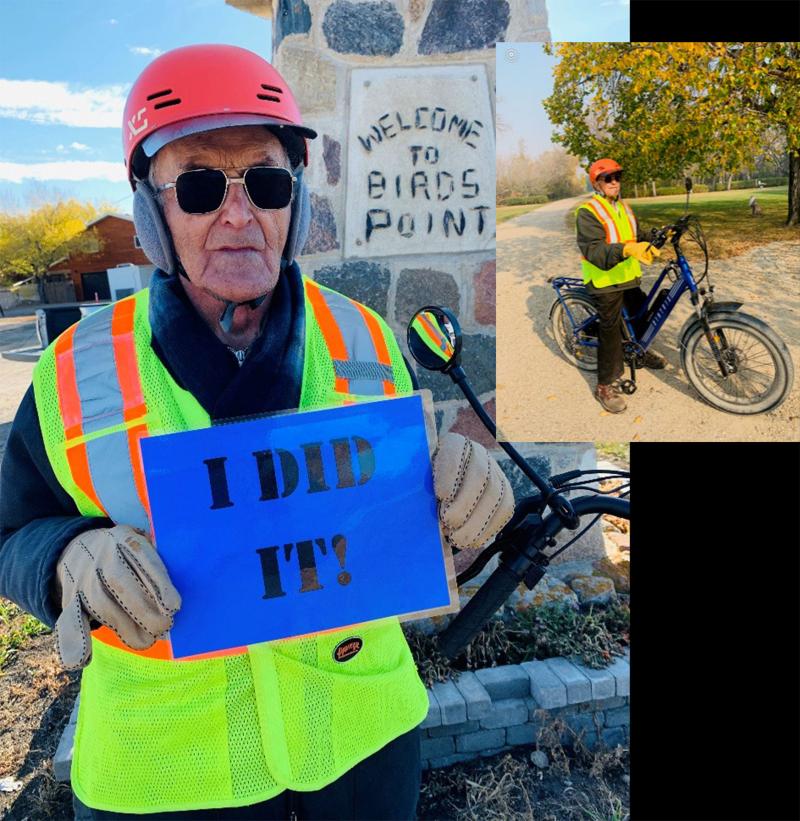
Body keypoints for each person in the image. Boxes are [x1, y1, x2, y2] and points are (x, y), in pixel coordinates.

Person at [0, 45, 514, 820]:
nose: (239, 215)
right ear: (151, 209)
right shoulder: (75, 371)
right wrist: (68, 557)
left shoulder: (367, 341)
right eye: (201, 186)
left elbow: (408, 528)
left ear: (296, 202)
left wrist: (465, 499)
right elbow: (11, 530)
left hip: (365, 752)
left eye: (267, 184)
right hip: (166, 776)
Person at [576, 158, 667, 414]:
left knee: (642, 312)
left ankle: (638, 352)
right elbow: (594, 250)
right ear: (597, 183)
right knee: (611, 329)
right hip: (604, 281)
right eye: (608, 178)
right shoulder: (588, 211)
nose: (614, 182)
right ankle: (604, 385)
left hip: (627, 277)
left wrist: (661, 234)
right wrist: (628, 248)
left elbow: (634, 235)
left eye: (617, 176)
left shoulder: (623, 208)